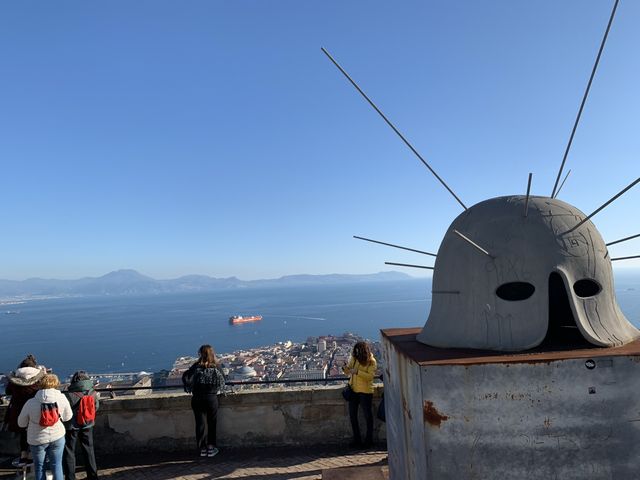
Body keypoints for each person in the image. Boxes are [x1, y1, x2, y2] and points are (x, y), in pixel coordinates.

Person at [18, 373, 73, 480]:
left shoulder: (31, 402)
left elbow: (21, 423)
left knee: (39, 467)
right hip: (57, 436)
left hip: (37, 439)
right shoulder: (62, 398)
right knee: (57, 465)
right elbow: (68, 417)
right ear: (56, 384)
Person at [182, 345, 226, 458]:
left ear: (200, 354)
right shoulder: (216, 367)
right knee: (212, 423)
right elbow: (223, 381)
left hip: (197, 398)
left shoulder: (196, 367)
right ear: (212, 354)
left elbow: (186, 377)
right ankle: (211, 448)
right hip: (211, 398)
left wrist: (190, 386)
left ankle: (202, 448)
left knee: (200, 424)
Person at [4, 354, 46, 466]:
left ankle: (23, 456)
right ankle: (33, 456)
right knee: (35, 432)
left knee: (23, 433)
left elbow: (8, 391)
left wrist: (13, 377)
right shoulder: (39, 379)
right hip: (35, 410)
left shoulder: (15, 380)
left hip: (17, 412)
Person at [63, 371, 100, 480]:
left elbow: (65, 411)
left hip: (71, 426)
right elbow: (96, 407)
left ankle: (70, 477)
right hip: (88, 424)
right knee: (89, 450)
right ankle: (93, 476)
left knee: (69, 451)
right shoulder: (93, 393)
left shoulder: (68, 394)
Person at [343, 341, 377, 449]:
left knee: (368, 416)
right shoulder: (354, 359)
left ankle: (369, 440)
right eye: (356, 351)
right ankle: (357, 439)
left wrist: (357, 372)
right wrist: (345, 369)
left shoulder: (371, 361)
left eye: (359, 351)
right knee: (353, 416)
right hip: (353, 390)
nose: (357, 353)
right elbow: (348, 372)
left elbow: (370, 377)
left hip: (365, 392)